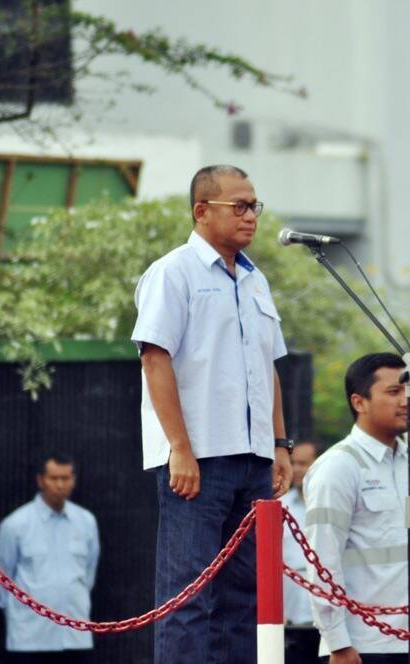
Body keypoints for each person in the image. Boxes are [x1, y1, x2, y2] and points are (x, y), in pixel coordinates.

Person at [131, 164, 293, 663]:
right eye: (239, 206)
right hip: (197, 462)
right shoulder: (172, 271)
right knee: (188, 596)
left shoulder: (255, 279)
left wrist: (280, 446)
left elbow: (268, 368)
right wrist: (180, 448)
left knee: (245, 597)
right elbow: (154, 358)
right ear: (202, 211)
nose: (251, 217)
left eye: (255, 206)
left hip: (253, 461)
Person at [304, 353, 410, 664]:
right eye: (393, 392)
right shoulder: (338, 467)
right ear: (359, 402)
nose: (405, 400)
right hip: (364, 647)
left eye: (408, 391)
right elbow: (322, 560)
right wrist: (338, 643)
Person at [0, 452, 99, 664]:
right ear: (41, 480)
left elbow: (89, 572)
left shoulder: (86, 521)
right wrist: (19, 614)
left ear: (74, 480)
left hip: (75, 634)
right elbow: (3, 578)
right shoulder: (15, 525)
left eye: (65, 478)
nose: (60, 485)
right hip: (30, 637)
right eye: (54, 478)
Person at [283, 441, 319, 624]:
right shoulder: (280, 506)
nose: (296, 469)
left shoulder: (331, 503)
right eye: (293, 463)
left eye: (303, 463)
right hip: (290, 609)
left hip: (326, 602)